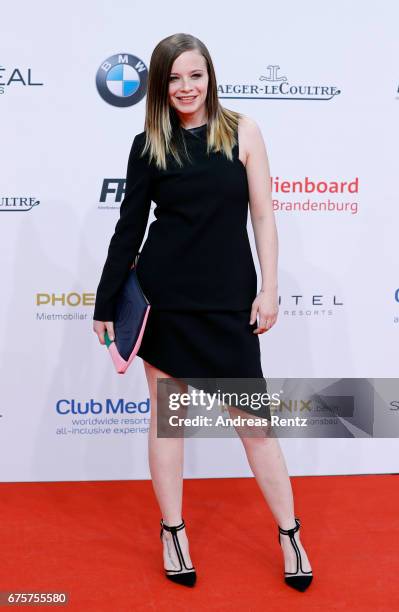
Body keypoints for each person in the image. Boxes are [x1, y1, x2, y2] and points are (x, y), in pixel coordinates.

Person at [92, 33, 313, 592]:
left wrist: (270, 288)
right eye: (174, 78)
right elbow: (129, 229)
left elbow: (263, 216)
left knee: (256, 429)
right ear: (160, 86)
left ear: (210, 75)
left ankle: (290, 533)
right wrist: (104, 300)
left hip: (227, 301)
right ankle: (172, 531)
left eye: (195, 75)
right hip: (166, 301)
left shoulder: (243, 132)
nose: (186, 88)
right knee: (170, 423)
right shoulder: (148, 145)